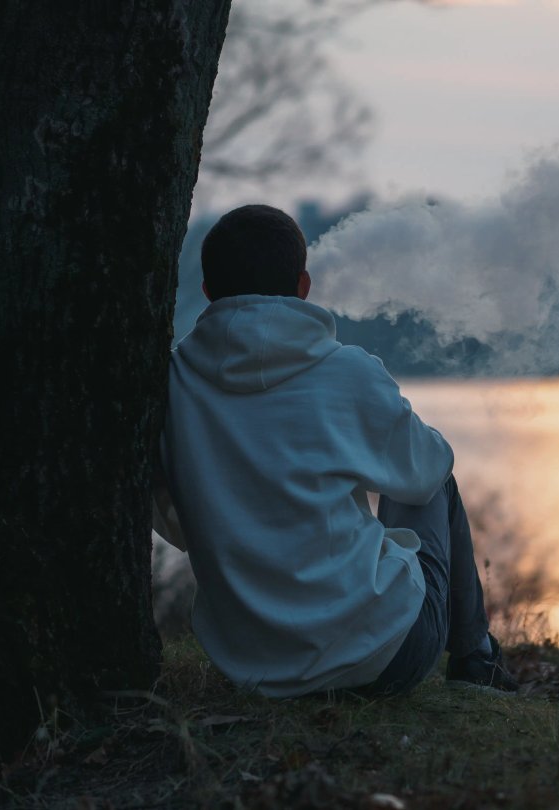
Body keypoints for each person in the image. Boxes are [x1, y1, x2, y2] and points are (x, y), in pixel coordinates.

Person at [152, 204, 518, 698]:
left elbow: (176, 523)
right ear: (303, 286)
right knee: (431, 484)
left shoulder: (170, 385)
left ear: (208, 292)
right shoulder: (348, 372)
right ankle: (477, 660)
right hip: (384, 658)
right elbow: (429, 469)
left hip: (255, 668)